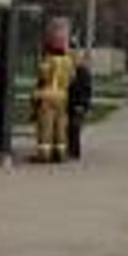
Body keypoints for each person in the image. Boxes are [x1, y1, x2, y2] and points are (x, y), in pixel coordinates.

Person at [35, 19, 76, 163]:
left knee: (46, 125)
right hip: (62, 96)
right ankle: (60, 154)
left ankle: (44, 155)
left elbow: (43, 75)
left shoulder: (48, 59)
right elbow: (72, 78)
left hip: (47, 95)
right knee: (60, 126)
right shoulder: (69, 61)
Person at [67, 59, 94, 161]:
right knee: (74, 129)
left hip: (77, 106)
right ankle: (73, 151)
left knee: (73, 129)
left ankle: (74, 151)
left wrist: (80, 105)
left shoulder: (79, 82)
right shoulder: (84, 81)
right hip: (78, 106)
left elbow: (79, 93)